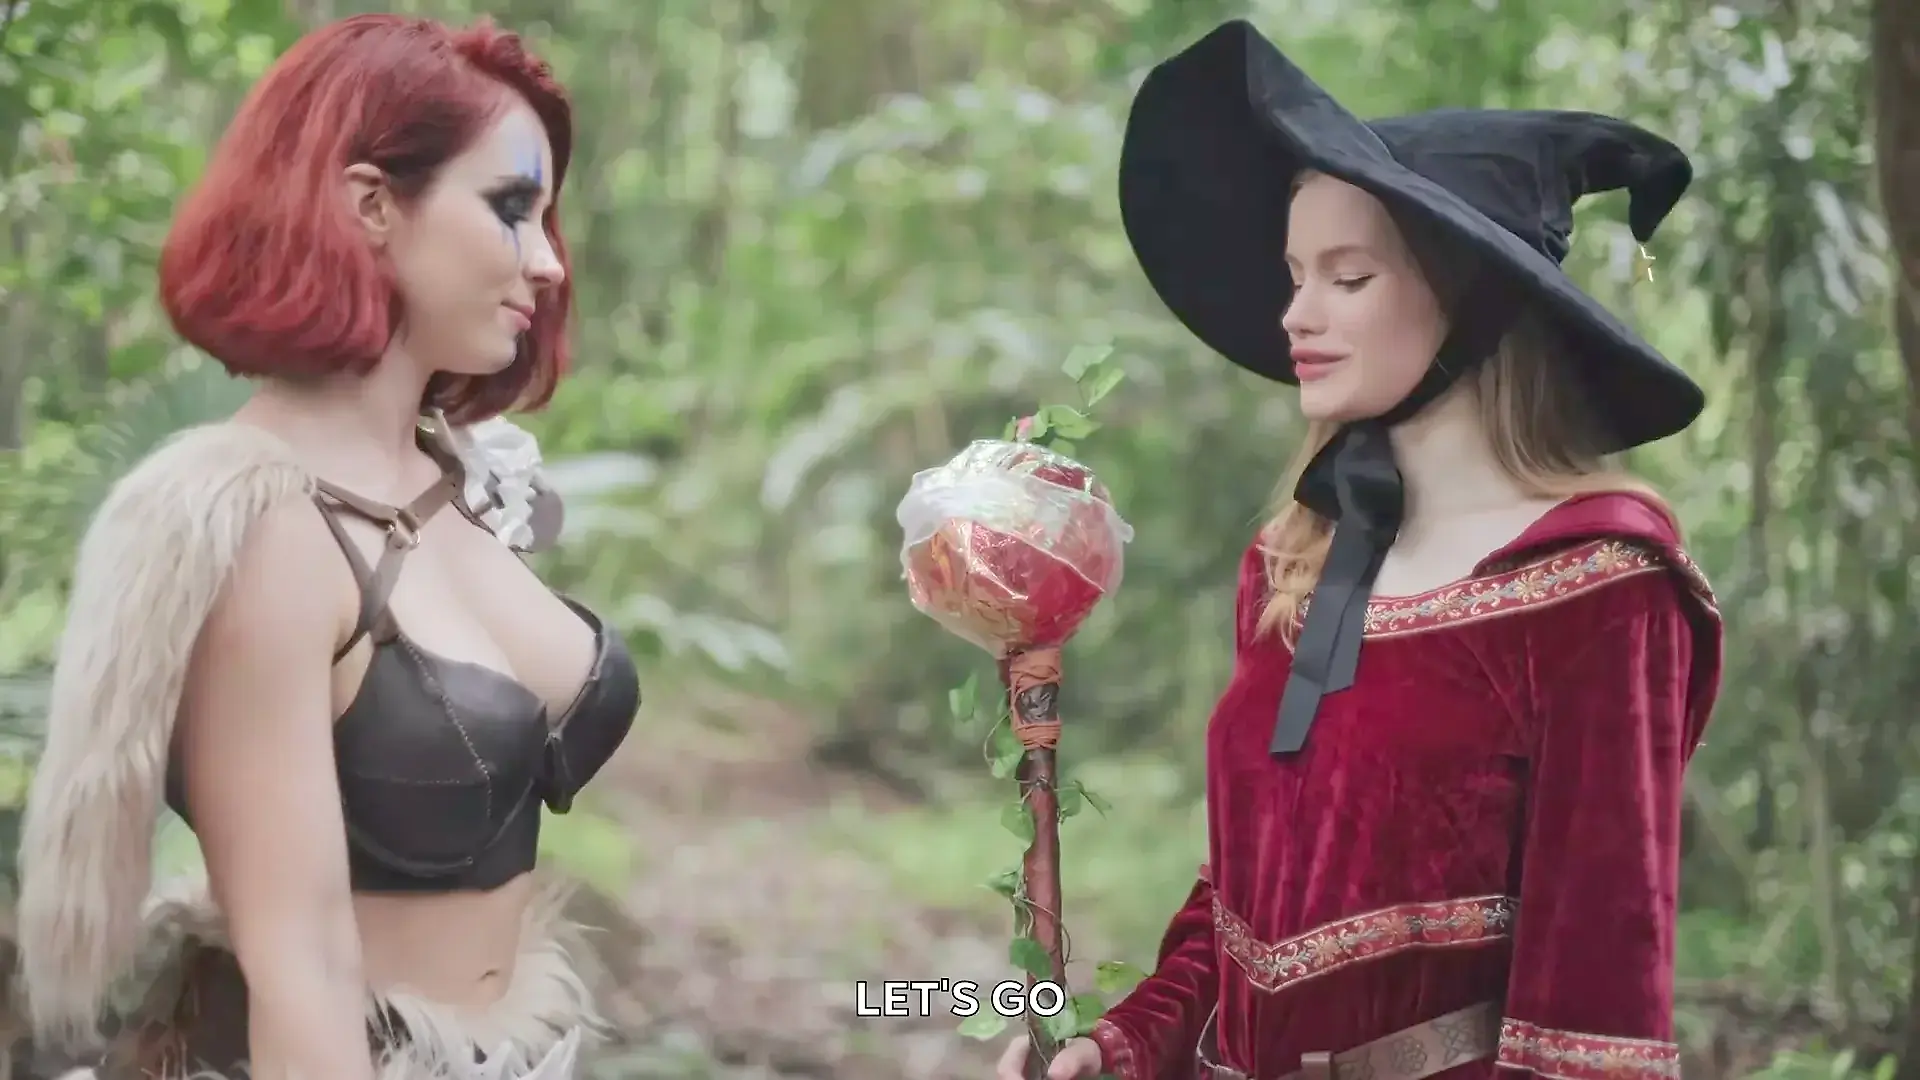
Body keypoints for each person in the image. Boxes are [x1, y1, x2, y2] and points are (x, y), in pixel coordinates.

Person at [998, 19, 1723, 1080]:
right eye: (1296, 274)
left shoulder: (1600, 587)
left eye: (1348, 278)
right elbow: (1243, 900)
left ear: (1474, 299)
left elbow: (1595, 995)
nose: (1296, 314)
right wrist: (1124, 1042)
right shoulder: (1290, 567)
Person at [12, 13, 639, 1080]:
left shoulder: (463, 479)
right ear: (371, 205)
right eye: (510, 210)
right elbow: (299, 961)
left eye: (547, 221)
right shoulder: (262, 530)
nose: (545, 263)